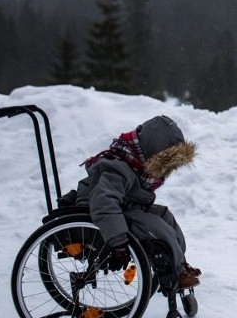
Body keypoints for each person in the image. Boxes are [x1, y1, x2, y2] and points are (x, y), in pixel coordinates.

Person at [66, 115, 201, 289]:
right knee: (157, 227)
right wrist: (118, 240)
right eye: (166, 165)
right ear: (153, 154)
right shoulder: (118, 169)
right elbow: (104, 203)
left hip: (123, 208)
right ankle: (176, 272)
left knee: (165, 216)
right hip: (105, 214)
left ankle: (180, 265)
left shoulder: (134, 163)